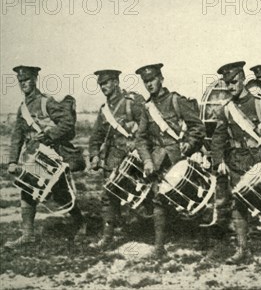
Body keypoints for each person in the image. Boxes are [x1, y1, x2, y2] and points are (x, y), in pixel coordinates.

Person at [6, 66, 86, 248]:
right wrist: (12, 161)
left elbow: (67, 124)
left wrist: (49, 134)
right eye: (20, 81)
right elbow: (17, 136)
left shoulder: (46, 102)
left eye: (26, 80)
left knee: (60, 193)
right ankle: (28, 235)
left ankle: (80, 222)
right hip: (34, 156)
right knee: (27, 189)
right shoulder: (22, 108)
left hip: (51, 155)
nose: (23, 84)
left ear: (34, 80)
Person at [211, 61, 261, 264]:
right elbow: (217, 138)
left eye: (234, 81)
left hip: (258, 159)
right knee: (238, 205)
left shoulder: (260, 103)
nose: (231, 86)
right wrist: (219, 160)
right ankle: (243, 249)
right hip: (235, 162)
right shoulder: (226, 109)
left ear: (243, 79)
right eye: (228, 84)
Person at [135, 63, 206, 258]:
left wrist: (190, 144)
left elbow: (197, 127)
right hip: (158, 160)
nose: (149, 84)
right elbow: (141, 138)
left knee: (189, 197)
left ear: (161, 79)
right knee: (158, 199)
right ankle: (159, 247)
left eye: (152, 80)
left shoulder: (176, 100)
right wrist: (148, 161)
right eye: (146, 82)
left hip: (179, 159)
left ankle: (199, 237)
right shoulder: (147, 108)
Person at [88, 69, 152, 250]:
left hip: (137, 157)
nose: (103, 87)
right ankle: (107, 238)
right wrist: (94, 156)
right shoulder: (104, 111)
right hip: (114, 159)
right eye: (101, 84)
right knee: (108, 197)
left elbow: (149, 126)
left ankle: (155, 231)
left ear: (116, 82)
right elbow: (95, 137)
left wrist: (139, 144)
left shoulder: (132, 102)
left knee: (147, 194)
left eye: (107, 83)